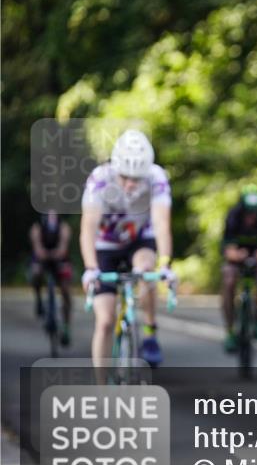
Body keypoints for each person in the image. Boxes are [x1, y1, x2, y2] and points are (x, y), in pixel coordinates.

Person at [80, 129, 176, 367]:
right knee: (105, 321)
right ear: (116, 168)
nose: (131, 184)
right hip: (105, 245)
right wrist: (91, 268)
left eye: (137, 178)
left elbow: (162, 224)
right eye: (125, 177)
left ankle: (150, 332)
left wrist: (165, 264)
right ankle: (102, 392)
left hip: (139, 240)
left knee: (146, 270)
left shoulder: (156, 177)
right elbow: (88, 229)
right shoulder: (99, 179)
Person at [220, 185, 257, 352]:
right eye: (248, 212)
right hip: (237, 257)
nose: (252, 217)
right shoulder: (233, 217)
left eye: (255, 212)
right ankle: (230, 331)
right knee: (228, 280)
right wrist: (237, 255)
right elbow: (228, 249)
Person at [29, 210, 74, 344]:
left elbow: (63, 246)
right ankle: (38, 300)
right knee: (36, 273)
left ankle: (66, 328)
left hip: (59, 259)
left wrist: (58, 253)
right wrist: (41, 253)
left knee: (66, 290)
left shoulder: (64, 227)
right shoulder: (37, 227)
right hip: (43, 258)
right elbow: (37, 246)